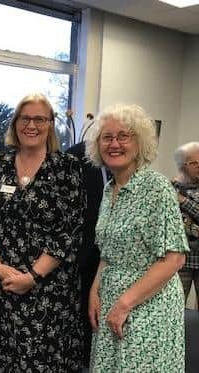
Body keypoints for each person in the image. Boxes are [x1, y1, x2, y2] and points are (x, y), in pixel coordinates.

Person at [0, 93, 85, 372]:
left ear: (50, 125)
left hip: (49, 290)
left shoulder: (67, 168)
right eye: (25, 118)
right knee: (4, 358)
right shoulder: (0, 164)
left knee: (44, 362)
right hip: (3, 285)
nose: (32, 125)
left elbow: (70, 231)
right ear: (15, 124)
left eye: (40, 119)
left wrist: (33, 276)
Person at [86, 104, 188, 372]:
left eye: (124, 136)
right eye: (107, 137)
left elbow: (174, 259)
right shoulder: (109, 190)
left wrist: (124, 303)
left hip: (147, 304)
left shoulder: (157, 188)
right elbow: (108, 252)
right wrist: (94, 292)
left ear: (139, 142)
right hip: (112, 300)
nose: (115, 144)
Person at [66, 138, 110, 368]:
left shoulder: (150, 184)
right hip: (81, 254)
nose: (113, 144)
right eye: (107, 137)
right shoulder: (76, 156)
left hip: (111, 266)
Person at [173, 142, 199, 308]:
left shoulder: (177, 194)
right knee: (176, 307)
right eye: (194, 163)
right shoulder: (170, 187)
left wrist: (182, 200)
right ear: (182, 166)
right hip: (178, 260)